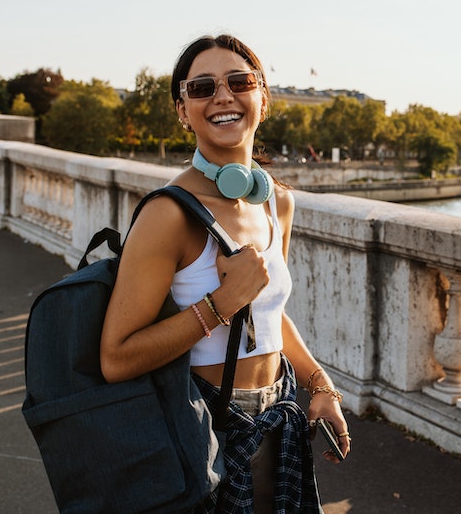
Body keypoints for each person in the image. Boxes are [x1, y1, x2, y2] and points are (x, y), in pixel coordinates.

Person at [100, 33, 350, 512]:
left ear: (262, 98)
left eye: (239, 81)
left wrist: (318, 382)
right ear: (182, 109)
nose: (222, 95)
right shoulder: (169, 214)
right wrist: (221, 304)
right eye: (201, 88)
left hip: (279, 414)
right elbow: (117, 358)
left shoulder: (277, 201)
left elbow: (268, 314)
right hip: (202, 421)